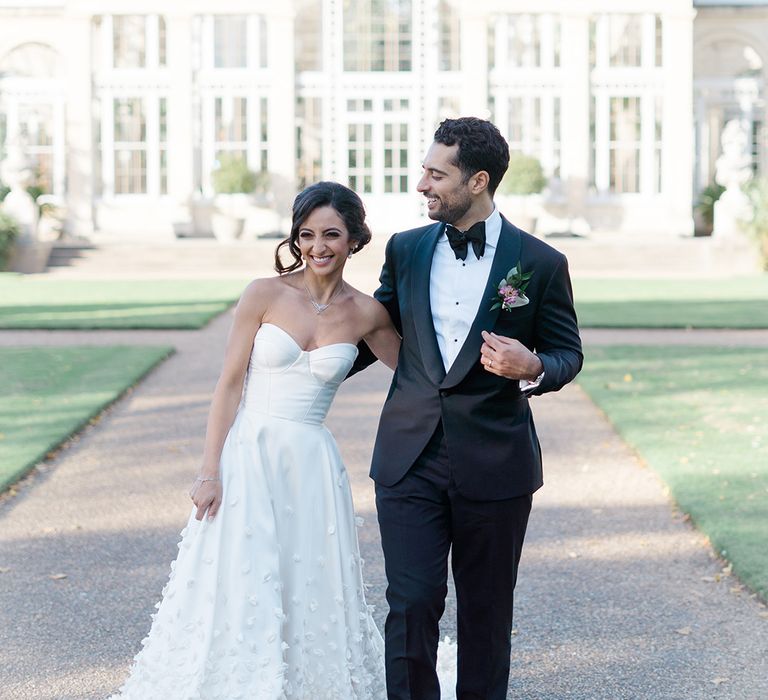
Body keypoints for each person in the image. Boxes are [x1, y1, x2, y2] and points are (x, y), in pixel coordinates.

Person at [109, 182, 400, 699]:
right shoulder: (264, 294)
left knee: (307, 581)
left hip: (311, 462)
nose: (318, 247)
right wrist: (208, 470)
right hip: (249, 454)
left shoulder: (367, 313)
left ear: (355, 239)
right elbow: (228, 384)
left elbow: (419, 375)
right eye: (307, 235)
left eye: (332, 234)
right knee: (242, 576)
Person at [350, 117, 583, 699]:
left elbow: (567, 353)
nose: (422, 184)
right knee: (410, 604)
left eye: (436, 173)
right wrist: (297, 360)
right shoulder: (405, 249)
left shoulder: (541, 263)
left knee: (486, 613)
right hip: (409, 458)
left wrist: (534, 366)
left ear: (478, 181)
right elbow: (375, 329)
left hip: (495, 463)